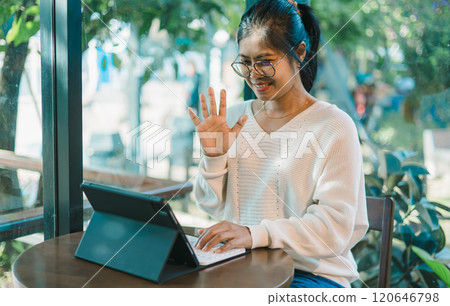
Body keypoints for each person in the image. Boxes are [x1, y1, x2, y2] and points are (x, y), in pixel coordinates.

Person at [187, 0, 368, 288]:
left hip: (311, 275)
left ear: (299, 52)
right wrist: (213, 156)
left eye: (265, 61)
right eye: (245, 62)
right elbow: (209, 204)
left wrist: (254, 234)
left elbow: (334, 229)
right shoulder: (233, 119)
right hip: (241, 266)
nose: (253, 74)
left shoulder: (334, 125)